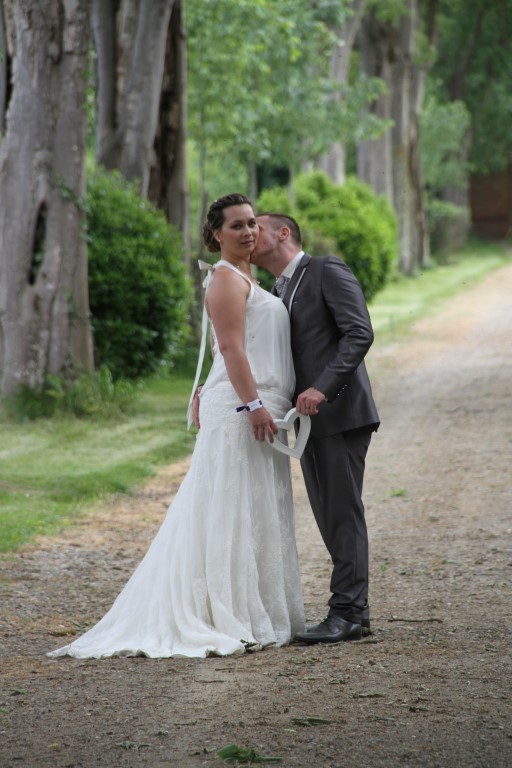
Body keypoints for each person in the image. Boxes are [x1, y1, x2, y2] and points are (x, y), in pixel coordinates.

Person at [48, 194, 305, 660]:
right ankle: (221, 613)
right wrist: (254, 406)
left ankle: (252, 608)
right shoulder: (226, 280)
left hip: (261, 405)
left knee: (253, 505)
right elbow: (232, 350)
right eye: (236, 226)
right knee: (226, 506)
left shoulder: (248, 276)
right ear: (214, 235)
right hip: (244, 411)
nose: (248, 232)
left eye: (251, 223)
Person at [250, 213, 380, 644]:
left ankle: (347, 613)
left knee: (343, 513)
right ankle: (354, 613)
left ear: (283, 233)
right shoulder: (276, 290)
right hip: (306, 423)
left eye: (258, 227)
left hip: (340, 413)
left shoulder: (325, 269)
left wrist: (322, 389)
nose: (250, 235)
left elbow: (359, 333)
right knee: (329, 515)